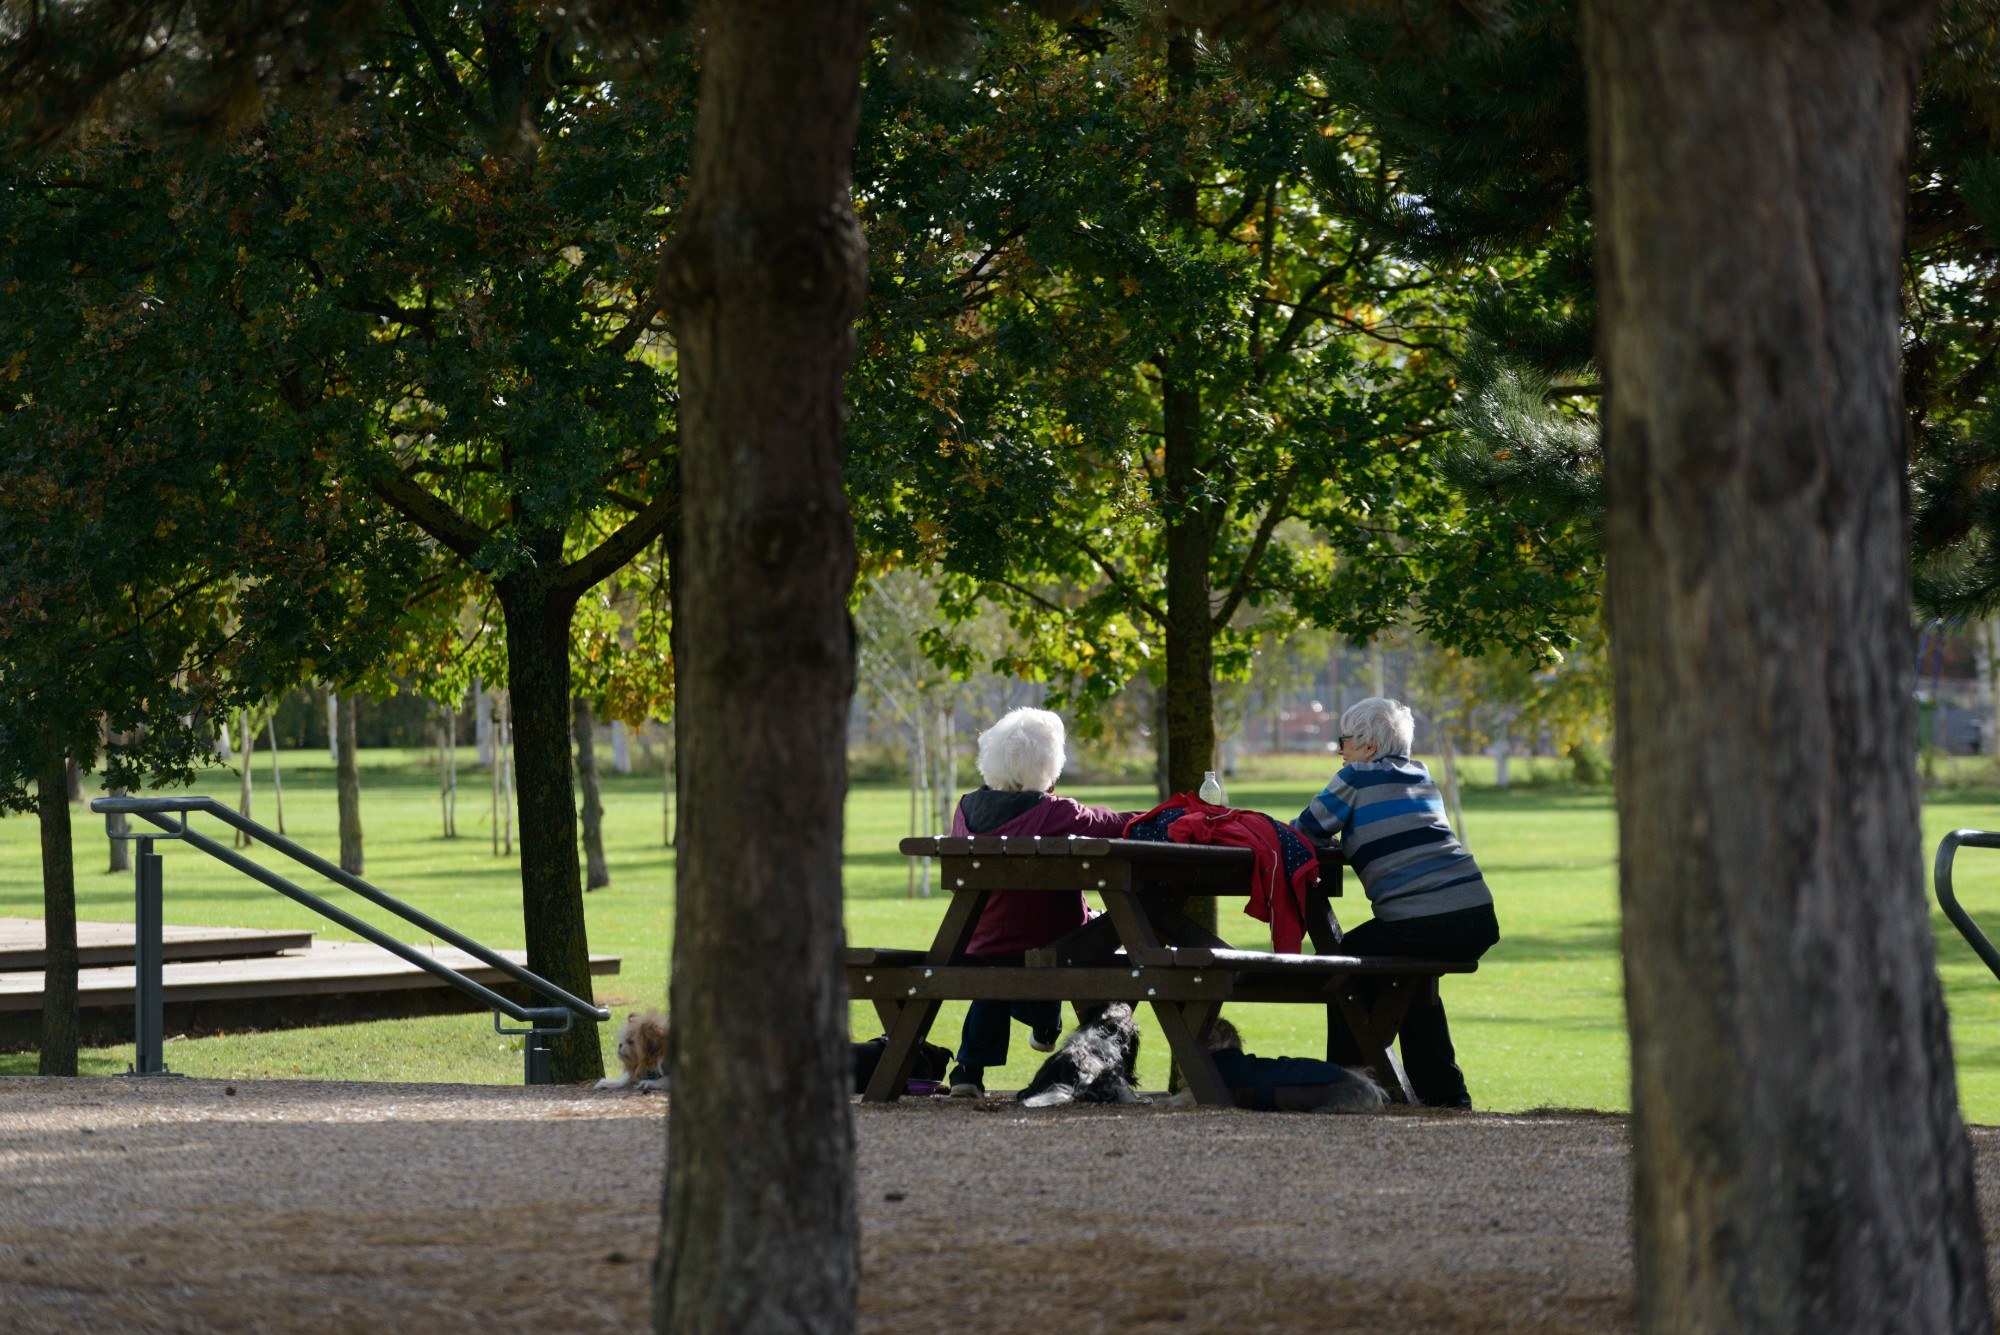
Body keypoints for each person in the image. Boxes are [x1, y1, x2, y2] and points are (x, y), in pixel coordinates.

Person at [1295, 696, 1499, 1107]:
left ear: (1368, 747)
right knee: (1411, 981)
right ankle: (1445, 1094)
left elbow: (1304, 830)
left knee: (1342, 962)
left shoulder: (1355, 777)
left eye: (1344, 740)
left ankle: (1346, 1086)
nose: (1340, 750)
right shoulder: (1422, 776)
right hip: (1476, 916)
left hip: (1424, 919)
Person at [943, 707, 1141, 1098]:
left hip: (980, 942)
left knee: (997, 967)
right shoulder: (1055, 813)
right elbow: (1114, 824)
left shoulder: (965, 810)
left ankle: (968, 1072)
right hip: (1052, 944)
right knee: (1114, 937)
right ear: (1048, 765)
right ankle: (1069, 1040)